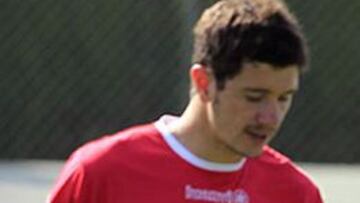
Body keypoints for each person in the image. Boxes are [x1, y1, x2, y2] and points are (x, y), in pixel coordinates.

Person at [48, 0, 324, 202]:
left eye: (284, 98)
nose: (271, 117)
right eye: (254, 97)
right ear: (203, 83)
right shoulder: (100, 173)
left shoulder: (296, 194)